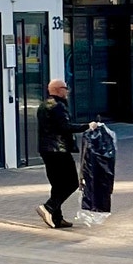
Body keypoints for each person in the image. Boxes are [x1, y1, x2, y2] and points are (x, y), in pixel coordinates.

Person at [36, 78, 80, 230]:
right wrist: (88, 126)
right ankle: (48, 207)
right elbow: (65, 127)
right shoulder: (58, 106)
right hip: (59, 150)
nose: (67, 91)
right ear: (58, 90)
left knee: (57, 184)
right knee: (72, 182)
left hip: (46, 150)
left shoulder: (43, 105)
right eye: (65, 88)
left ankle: (57, 218)